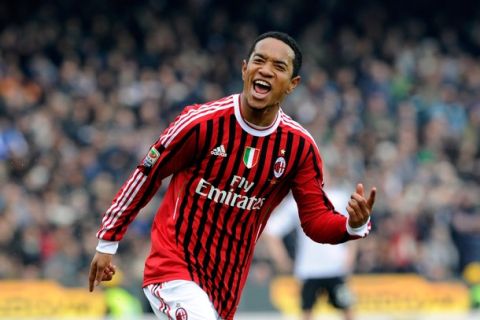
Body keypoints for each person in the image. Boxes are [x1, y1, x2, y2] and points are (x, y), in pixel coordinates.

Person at [88, 31, 376, 320]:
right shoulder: (200, 123)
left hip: (226, 285)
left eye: (279, 66)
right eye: (259, 61)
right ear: (244, 69)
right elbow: (146, 175)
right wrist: (108, 240)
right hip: (173, 267)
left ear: (292, 84)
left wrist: (351, 225)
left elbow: (315, 220)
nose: (265, 70)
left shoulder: (299, 147)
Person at [263, 183, 358, 320]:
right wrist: (281, 258)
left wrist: (351, 255)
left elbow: (354, 225)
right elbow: (271, 230)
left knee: (348, 309)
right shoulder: (296, 202)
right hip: (309, 269)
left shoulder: (339, 197)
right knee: (307, 312)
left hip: (336, 268)